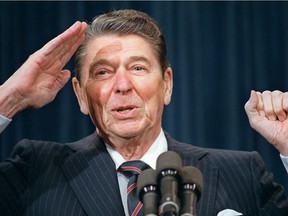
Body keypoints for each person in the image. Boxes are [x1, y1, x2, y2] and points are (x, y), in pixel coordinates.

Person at [0, 9, 287, 216]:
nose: (122, 85)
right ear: (80, 94)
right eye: (103, 72)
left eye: (138, 68)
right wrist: (9, 98)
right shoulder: (35, 171)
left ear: (167, 84)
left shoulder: (240, 173)